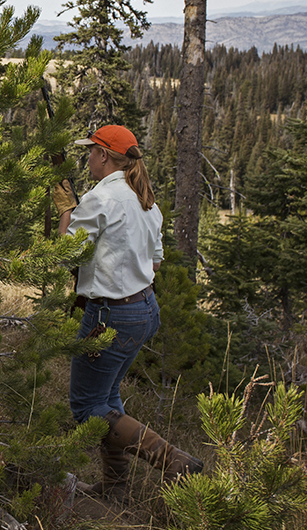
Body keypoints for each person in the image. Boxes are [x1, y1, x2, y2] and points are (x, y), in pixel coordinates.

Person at [53, 124, 203, 501]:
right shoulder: (144, 200)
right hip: (144, 310)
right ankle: (115, 489)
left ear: (104, 155)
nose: (87, 157)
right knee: (108, 399)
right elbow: (152, 264)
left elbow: (65, 253)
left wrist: (66, 211)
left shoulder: (101, 199)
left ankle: (171, 458)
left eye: (91, 151)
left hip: (109, 317)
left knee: (87, 408)